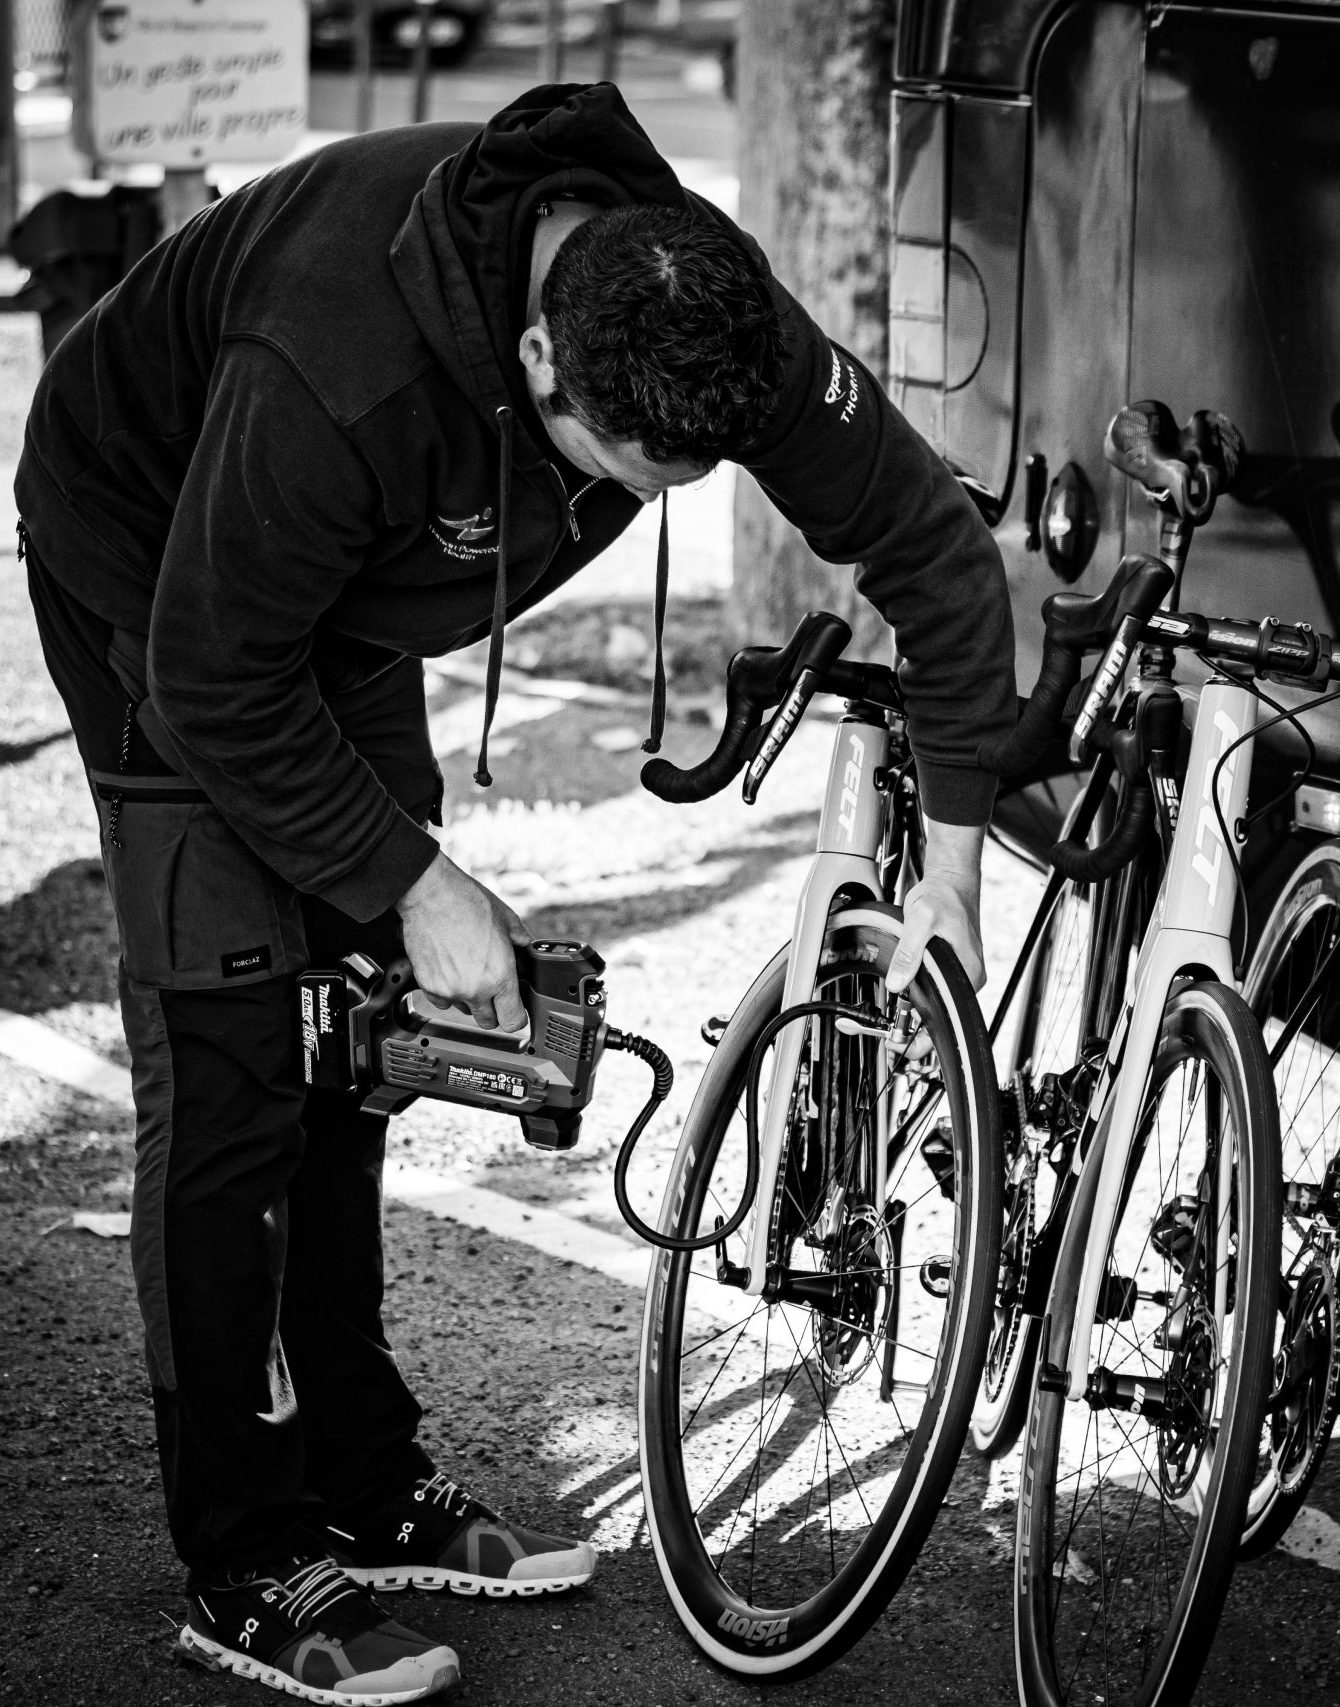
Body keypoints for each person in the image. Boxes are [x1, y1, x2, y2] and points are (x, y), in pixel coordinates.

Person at [16, 82, 1015, 1704]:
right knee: (235, 1054)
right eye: (627, 471)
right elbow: (214, 672)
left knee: (359, 1045)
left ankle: (358, 1474)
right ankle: (247, 1557)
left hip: (337, 601)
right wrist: (415, 877)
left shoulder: (699, 308)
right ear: (540, 359)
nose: (658, 499)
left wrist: (957, 868)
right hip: (156, 569)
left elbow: (939, 562)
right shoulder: (338, 362)